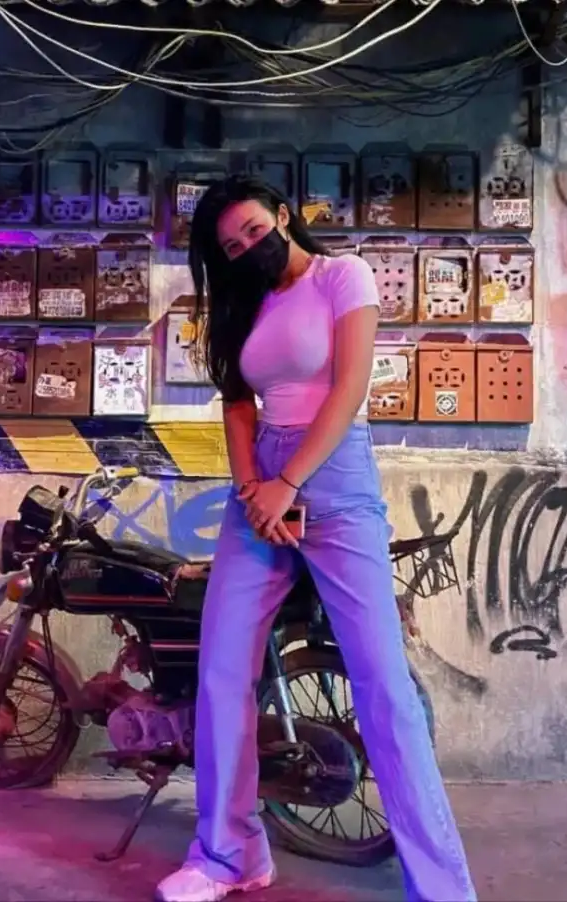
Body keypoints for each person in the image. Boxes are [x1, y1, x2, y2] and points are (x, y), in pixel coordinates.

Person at [155, 174, 477, 902]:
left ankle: (441, 886)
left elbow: (349, 388)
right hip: (259, 490)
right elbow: (238, 403)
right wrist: (253, 489)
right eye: (231, 246)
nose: (247, 248)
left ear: (283, 216)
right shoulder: (243, 300)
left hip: (333, 481)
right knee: (222, 671)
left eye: (253, 231)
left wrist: (289, 483)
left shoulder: (343, 276)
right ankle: (230, 855)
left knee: (383, 686)